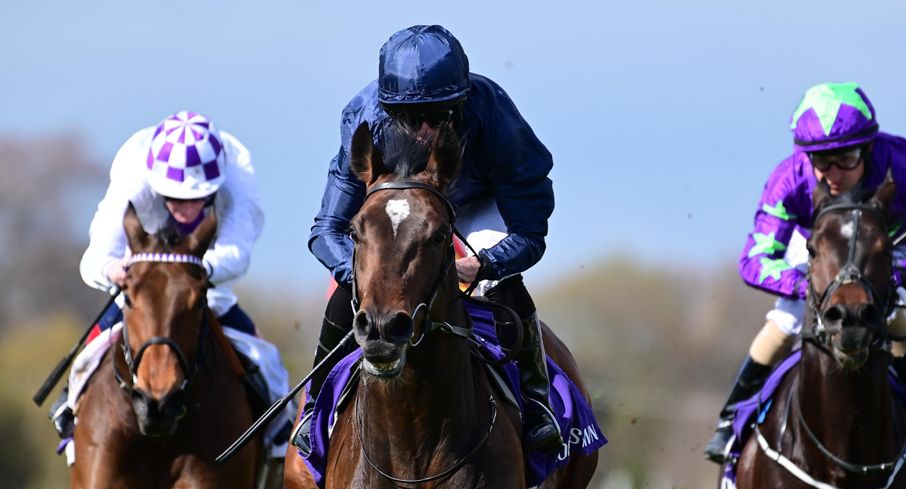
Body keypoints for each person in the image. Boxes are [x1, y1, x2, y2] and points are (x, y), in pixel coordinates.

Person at [306, 25, 562, 455]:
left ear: (461, 102)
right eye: (409, 118)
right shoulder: (363, 118)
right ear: (389, 110)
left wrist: (487, 264)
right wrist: (362, 273)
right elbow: (327, 229)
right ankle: (316, 405)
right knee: (354, 285)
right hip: (401, 205)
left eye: (439, 115)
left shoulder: (494, 115)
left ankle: (537, 403)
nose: (424, 130)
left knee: (497, 282)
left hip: (479, 202)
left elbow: (530, 232)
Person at [704, 82, 906, 464]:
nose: (833, 173)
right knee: (787, 320)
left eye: (846, 159)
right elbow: (755, 258)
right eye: (822, 161)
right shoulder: (790, 177)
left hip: (881, 249)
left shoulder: (905, 165)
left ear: (868, 148)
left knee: (892, 314)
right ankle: (730, 419)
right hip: (820, 250)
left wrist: (897, 275)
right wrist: (810, 285)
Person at [49, 111, 293, 458]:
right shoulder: (134, 178)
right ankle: (72, 412)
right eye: (174, 197)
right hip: (142, 288)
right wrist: (113, 269)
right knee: (88, 355)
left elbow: (237, 253)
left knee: (266, 359)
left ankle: (279, 432)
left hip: (201, 286)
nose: (186, 208)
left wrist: (189, 273)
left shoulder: (238, 179)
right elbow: (94, 258)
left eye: (198, 198)